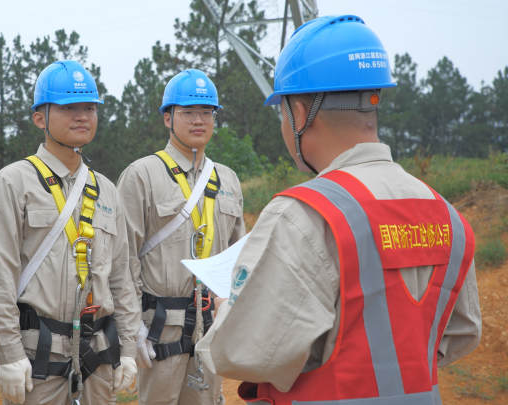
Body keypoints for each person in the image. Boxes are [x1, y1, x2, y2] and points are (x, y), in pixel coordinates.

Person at [195, 15, 481, 404]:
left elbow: (241, 353)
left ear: (298, 113)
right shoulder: (448, 216)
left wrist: (231, 306)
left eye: (282, 112)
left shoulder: (303, 215)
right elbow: (461, 333)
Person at [0, 60, 140, 405]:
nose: (81, 116)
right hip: (37, 358)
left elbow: (123, 277)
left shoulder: (106, 190)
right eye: (68, 108)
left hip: (99, 355)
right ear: (40, 117)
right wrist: (9, 353)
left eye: (89, 108)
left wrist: (128, 348)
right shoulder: (14, 182)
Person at [117, 68, 245, 405]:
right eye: (188, 112)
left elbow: (238, 258)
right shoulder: (142, 175)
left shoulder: (227, 179)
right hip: (159, 329)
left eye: (207, 112)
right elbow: (122, 258)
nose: (199, 120)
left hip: (211, 327)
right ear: (167, 118)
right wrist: (131, 330)